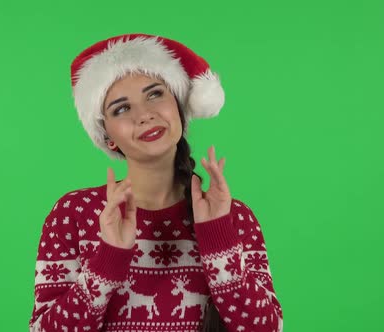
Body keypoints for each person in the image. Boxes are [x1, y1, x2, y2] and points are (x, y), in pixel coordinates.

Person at [28, 33, 283, 332]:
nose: (145, 115)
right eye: (121, 109)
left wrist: (218, 239)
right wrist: (108, 260)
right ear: (108, 138)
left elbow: (267, 328)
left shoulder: (234, 218)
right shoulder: (74, 214)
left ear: (179, 107)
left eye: (155, 94)